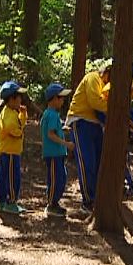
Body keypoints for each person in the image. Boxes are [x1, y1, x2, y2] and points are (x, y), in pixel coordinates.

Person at [67, 61, 112, 210]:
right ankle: (88, 201)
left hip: (96, 124)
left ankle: (98, 198)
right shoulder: (93, 77)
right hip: (81, 121)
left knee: (99, 162)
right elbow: (95, 102)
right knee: (87, 162)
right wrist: (115, 106)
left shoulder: (105, 86)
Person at [41, 83, 75, 217]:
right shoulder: (51, 115)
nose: (63, 101)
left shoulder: (52, 114)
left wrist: (63, 128)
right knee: (55, 179)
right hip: (53, 153)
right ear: (54, 99)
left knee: (61, 177)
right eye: (61, 98)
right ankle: (51, 205)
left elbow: (54, 129)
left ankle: (55, 203)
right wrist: (66, 144)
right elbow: (50, 134)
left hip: (58, 154)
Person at [0, 80, 28, 214]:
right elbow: (12, 129)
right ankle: (11, 202)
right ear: (11, 99)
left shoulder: (13, 112)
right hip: (9, 152)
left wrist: (23, 114)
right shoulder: (8, 114)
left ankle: (2, 201)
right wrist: (20, 132)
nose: (21, 99)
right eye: (19, 97)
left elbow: (20, 124)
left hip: (11, 151)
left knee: (5, 176)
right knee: (12, 178)